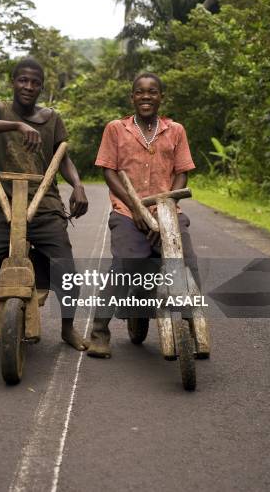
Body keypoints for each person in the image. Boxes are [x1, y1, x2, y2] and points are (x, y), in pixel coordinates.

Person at [0, 57, 89, 352]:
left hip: (45, 205)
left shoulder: (52, 118)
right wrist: (17, 125)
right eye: (23, 80)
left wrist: (79, 186)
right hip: (3, 205)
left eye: (35, 82)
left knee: (66, 271)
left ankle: (68, 328)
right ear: (13, 82)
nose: (28, 86)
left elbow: (63, 157)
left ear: (41, 87)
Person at [87, 71, 200, 358]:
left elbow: (182, 173)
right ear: (132, 97)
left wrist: (165, 208)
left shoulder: (175, 130)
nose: (146, 96)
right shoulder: (116, 128)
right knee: (126, 265)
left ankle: (193, 328)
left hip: (166, 211)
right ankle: (100, 332)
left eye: (152, 92)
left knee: (185, 263)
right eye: (140, 91)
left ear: (161, 97)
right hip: (128, 211)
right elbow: (109, 171)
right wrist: (137, 208)